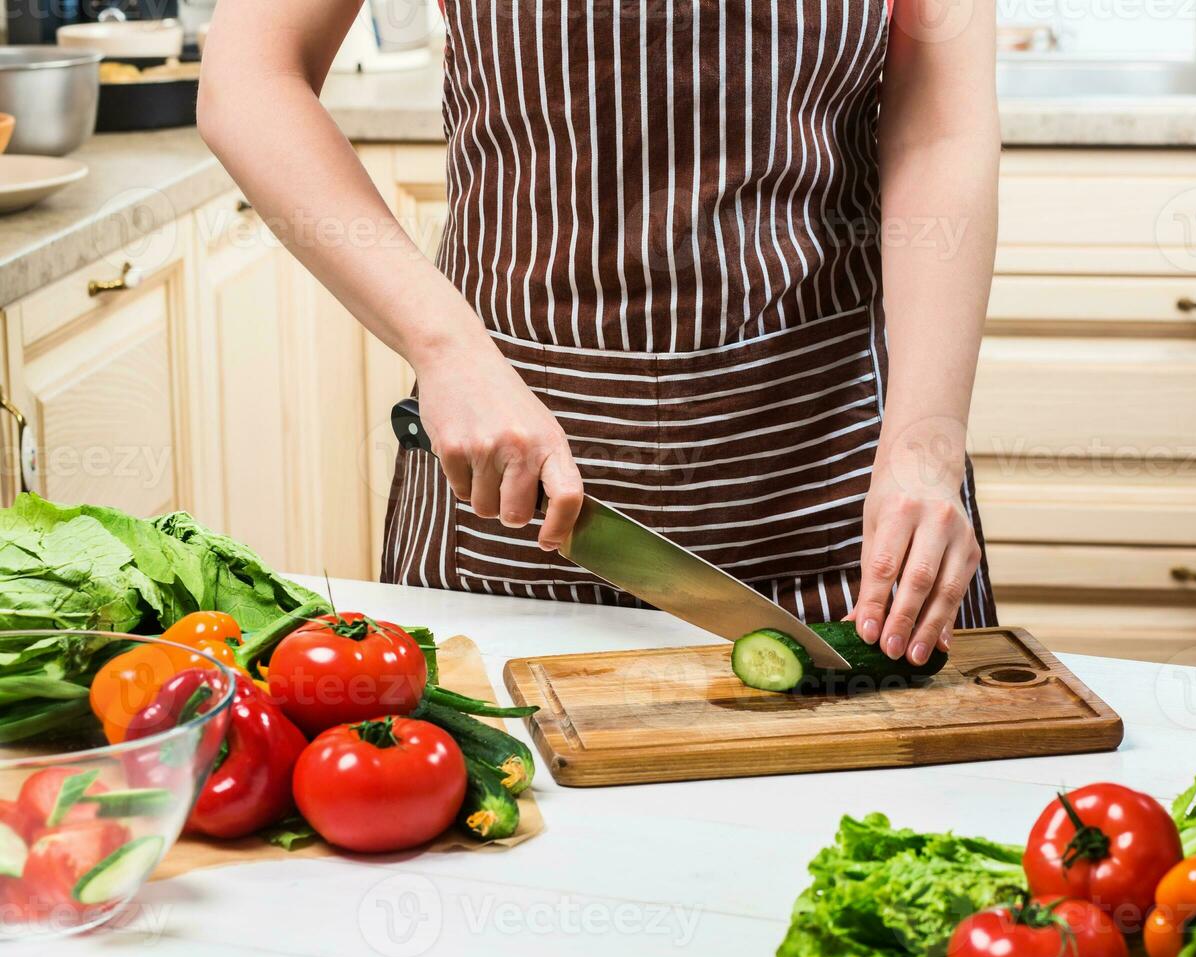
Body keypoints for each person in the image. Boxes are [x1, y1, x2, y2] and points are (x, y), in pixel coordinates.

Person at [199, 0, 1001, 667]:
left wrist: (921, 455)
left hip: (836, 492)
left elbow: (939, 127)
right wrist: (445, 347)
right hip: (507, 498)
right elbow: (251, 74)